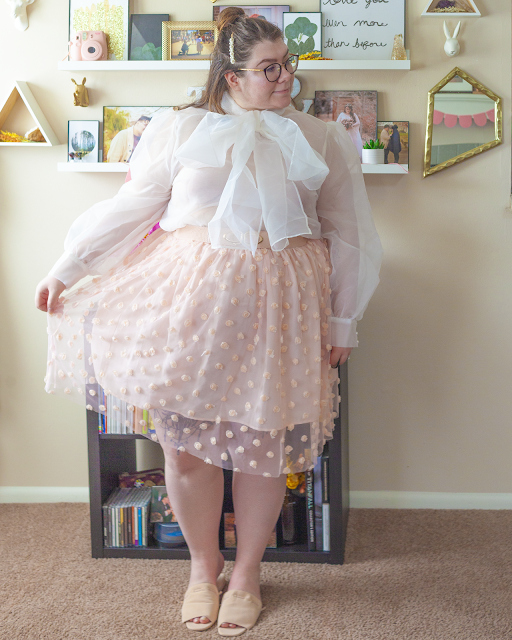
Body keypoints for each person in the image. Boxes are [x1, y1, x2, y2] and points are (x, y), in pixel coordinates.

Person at [35, 6, 382, 636]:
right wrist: (68, 267)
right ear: (229, 75)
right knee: (185, 449)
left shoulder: (323, 136)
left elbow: (350, 235)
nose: (285, 79)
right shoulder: (178, 128)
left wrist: (343, 323)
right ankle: (203, 568)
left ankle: (246, 573)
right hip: (188, 306)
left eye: (288, 65)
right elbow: (135, 205)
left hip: (282, 312)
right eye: (269, 69)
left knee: (263, 453)